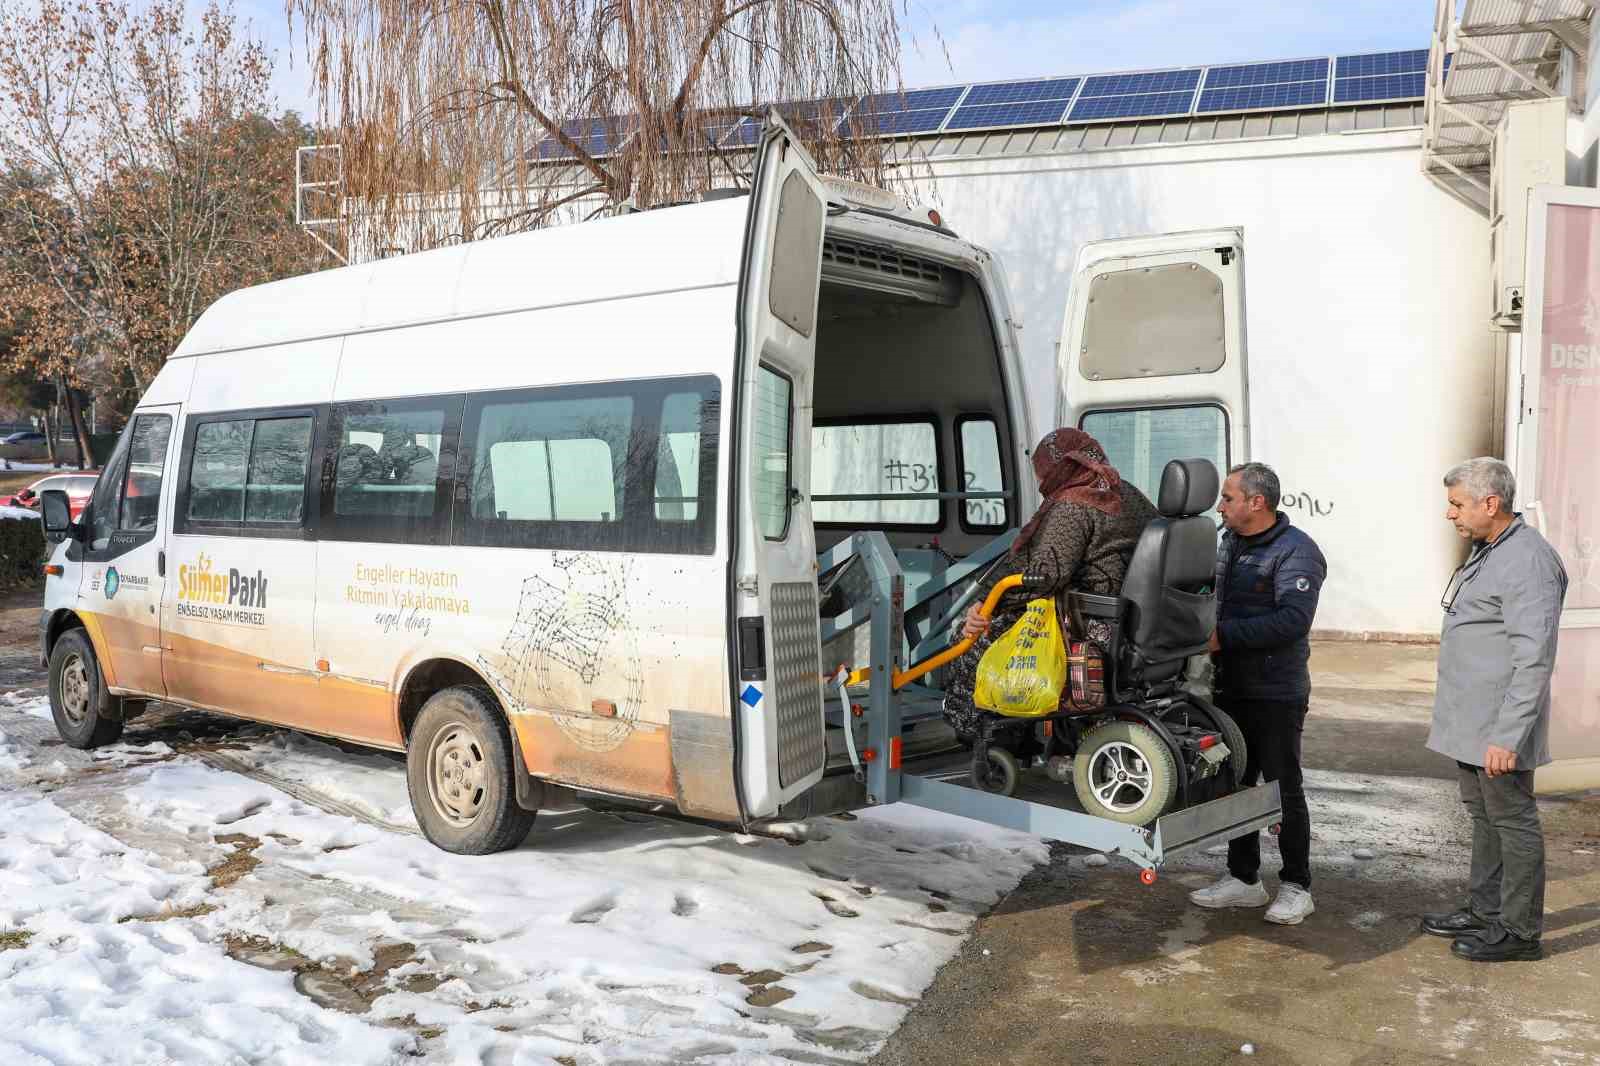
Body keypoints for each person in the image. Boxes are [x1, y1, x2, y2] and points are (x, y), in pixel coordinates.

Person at [1421, 457, 1566, 963]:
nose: (1450, 514)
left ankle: (1520, 932)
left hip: (1498, 728)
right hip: (1472, 722)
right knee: (1483, 817)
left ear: (1491, 503)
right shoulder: (1491, 549)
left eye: (1457, 504)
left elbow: (1534, 659)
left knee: (1513, 822)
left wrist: (1508, 735)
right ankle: (1486, 911)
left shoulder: (1527, 560)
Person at [942, 427, 1157, 743]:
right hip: (1129, 619)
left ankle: (987, 736)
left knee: (970, 638)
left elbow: (1046, 576)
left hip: (1088, 621)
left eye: (1042, 473)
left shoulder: (1074, 504)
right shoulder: (1126, 492)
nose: (1042, 483)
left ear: (1059, 467)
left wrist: (990, 604)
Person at [1188, 462, 1326, 926]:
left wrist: (1223, 637)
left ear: (1256, 502)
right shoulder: (1228, 543)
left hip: (1275, 692)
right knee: (1235, 782)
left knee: (1283, 788)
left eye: (1228, 498)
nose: (1220, 505)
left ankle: (1296, 885)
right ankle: (1244, 878)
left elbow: (1292, 620)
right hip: (1230, 687)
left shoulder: (1297, 552)